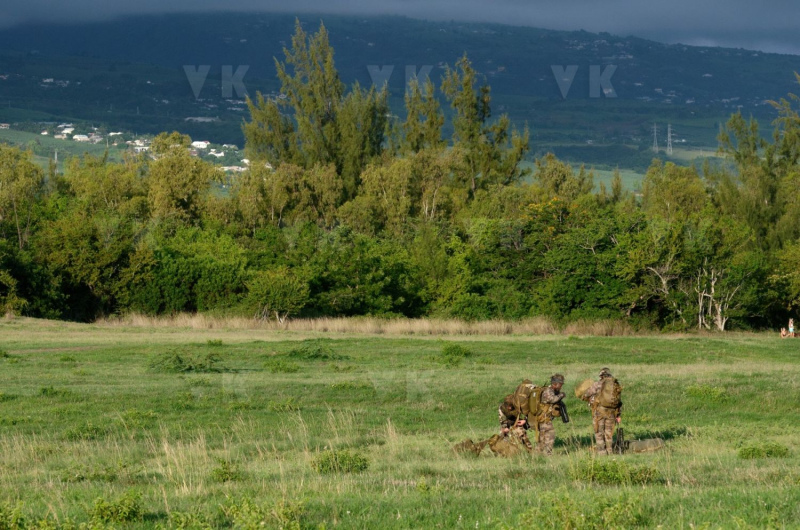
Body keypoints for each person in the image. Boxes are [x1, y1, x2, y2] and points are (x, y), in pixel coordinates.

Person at [583, 367, 622, 456]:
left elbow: (586, 394)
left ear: (601, 376)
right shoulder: (615, 385)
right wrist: (618, 415)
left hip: (599, 412)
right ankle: (610, 451)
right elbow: (619, 401)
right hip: (612, 413)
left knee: (599, 433)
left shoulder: (597, 384)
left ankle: (602, 453)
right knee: (609, 433)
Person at [498, 381, 535, 452]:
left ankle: (530, 450)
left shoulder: (520, 404)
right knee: (503, 435)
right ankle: (507, 451)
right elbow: (502, 420)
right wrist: (505, 428)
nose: (509, 408)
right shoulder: (502, 408)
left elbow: (530, 413)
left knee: (521, 433)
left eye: (511, 406)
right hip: (509, 423)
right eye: (507, 406)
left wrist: (525, 421)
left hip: (521, 422)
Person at [535, 374, 566, 456]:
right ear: (555, 384)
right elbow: (552, 399)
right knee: (548, 436)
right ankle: (546, 454)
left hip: (546, 419)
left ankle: (539, 455)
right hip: (544, 419)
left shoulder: (553, 391)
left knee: (543, 438)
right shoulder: (548, 391)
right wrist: (561, 395)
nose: (561, 386)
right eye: (560, 384)